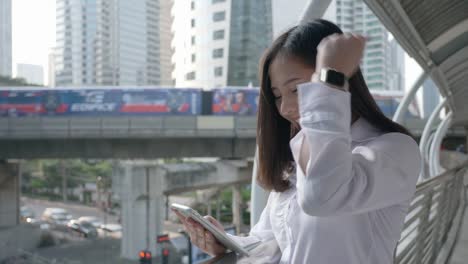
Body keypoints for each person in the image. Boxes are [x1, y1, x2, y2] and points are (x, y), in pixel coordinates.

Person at [174, 19, 421, 264]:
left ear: (339, 78)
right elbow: (271, 241)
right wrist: (228, 242)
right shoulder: (298, 156)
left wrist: (330, 80)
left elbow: (322, 197)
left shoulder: (395, 150)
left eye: (297, 89)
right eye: (278, 95)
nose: (286, 108)